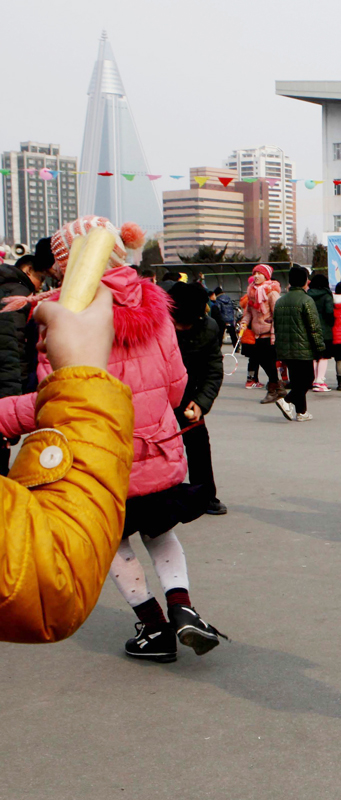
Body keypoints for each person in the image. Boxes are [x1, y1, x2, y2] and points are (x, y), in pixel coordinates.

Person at [0, 216, 222, 661]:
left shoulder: (64, 314)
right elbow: (177, 384)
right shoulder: (156, 307)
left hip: (100, 457)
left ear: (65, 264)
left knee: (113, 541)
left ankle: (154, 627)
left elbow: (58, 396)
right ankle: (183, 608)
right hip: (157, 448)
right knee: (161, 533)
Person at [0, 283, 139, 643]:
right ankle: (174, 604)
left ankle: (153, 616)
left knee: (124, 549)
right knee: (154, 540)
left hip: (82, 445)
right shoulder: (135, 318)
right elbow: (48, 580)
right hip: (111, 448)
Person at [168, 282, 227, 515]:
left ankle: (205, 496)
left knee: (198, 442)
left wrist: (201, 402)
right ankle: (153, 496)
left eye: (187, 322)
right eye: (178, 322)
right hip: (154, 395)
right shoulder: (153, 325)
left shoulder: (209, 328)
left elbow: (213, 369)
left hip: (188, 395)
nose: (182, 327)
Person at [0, 238, 54, 475]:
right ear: (28, 270)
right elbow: (13, 354)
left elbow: (10, 352)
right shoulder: (18, 296)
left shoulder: (14, 294)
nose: (41, 286)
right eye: (40, 279)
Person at [273, 266, 325, 421]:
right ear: (305, 282)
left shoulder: (280, 301)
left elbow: (277, 326)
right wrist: (319, 347)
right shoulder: (306, 300)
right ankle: (286, 400)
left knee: (296, 380)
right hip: (303, 347)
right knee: (308, 379)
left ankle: (301, 412)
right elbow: (314, 327)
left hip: (285, 347)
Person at [244, 264, 283, 403]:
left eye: (259, 274)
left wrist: (274, 334)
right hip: (257, 333)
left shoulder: (272, 292)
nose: (256, 276)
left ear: (266, 276)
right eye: (254, 273)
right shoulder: (251, 292)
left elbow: (277, 315)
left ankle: (273, 388)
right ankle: (277, 386)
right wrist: (244, 323)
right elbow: (249, 312)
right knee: (261, 360)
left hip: (268, 333)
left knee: (270, 362)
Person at [307, 272, 336, 392]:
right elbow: (329, 312)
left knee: (313, 356)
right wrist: (331, 322)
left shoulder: (307, 295)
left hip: (309, 328)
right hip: (324, 329)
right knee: (324, 356)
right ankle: (320, 381)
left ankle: (312, 380)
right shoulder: (327, 296)